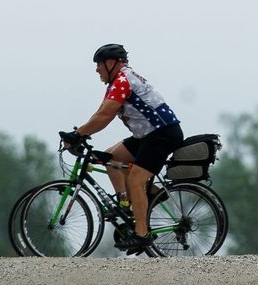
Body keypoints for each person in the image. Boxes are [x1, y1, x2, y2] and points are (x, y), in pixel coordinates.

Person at [60, 43, 185, 254]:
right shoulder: (116, 82)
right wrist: (80, 132)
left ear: (111, 63)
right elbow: (99, 114)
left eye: (99, 64)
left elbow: (104, 117)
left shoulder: (123, 80)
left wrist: (79, 134)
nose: (97, 69)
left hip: (162, 134)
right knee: (111, 158)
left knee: (136, 179)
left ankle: (142, 235)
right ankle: (129, 202)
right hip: (148, 135)